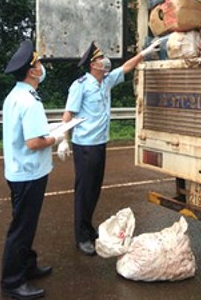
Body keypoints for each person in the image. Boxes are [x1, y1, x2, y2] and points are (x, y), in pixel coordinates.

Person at [58, 40, 160, 256]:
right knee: (84, 191)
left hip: (99, 144)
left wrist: (144, 53)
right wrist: (63, 139)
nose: (105, 61)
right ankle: (81, 237)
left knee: (94, 189)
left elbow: (126, 67)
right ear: (92, 64)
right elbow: (69, 114)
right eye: (100, 58)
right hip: (84, 146)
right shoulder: (80, 85)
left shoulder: (105, 81)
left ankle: (87, 227)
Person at [0, 40, 66, 300]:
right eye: (38, 64)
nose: (42, 67)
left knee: (26, 223)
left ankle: (28, 265)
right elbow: (34, 142)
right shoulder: (29, 102)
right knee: (22, 228)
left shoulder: (16, 95)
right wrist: (57, 137)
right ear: (31, 71)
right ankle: (12, 282)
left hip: (18, 170)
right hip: (28, 173)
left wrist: (48, 133)